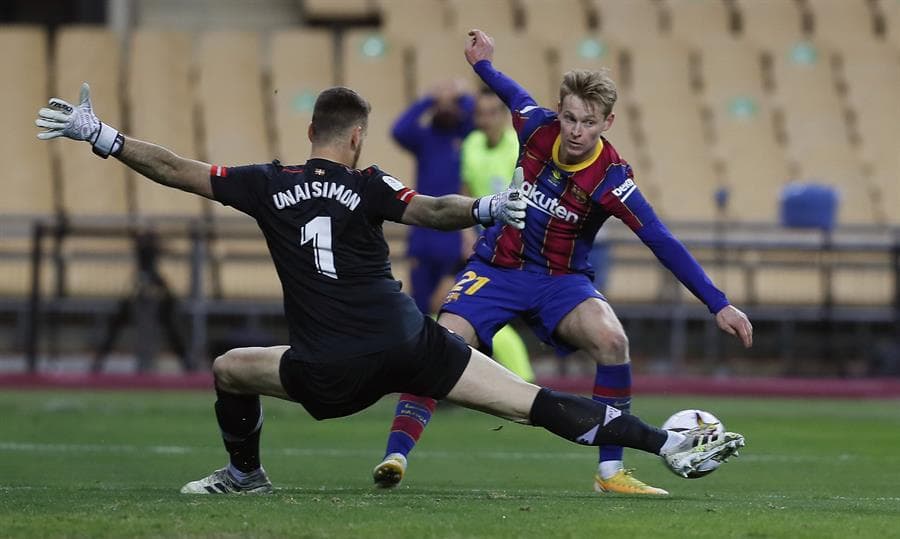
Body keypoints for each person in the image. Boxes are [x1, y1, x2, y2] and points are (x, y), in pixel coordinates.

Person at [35, 82, 744, 495]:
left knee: (229, 368)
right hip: (411, 344)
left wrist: (103, 136)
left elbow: (177, 169)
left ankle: (245, 471)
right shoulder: (369, 183)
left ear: (311, 130)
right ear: (354, 140)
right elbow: (434, 209)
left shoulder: (264, 184)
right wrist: (488, 209)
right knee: (534, 402)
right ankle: (665, 441)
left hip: (326, 367)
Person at [372, 30, 754, 496]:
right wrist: (482, 64)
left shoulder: (612, 180)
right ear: (559, 111)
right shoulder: (535, 125)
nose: (575, 130)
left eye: (588, 122)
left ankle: (610, 473)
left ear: (607, 122)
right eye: (569, 117)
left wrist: (719, 304)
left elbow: (661, 240)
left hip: (561, 281)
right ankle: (396, 455)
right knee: (442, 344)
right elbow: (512, 91)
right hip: (496, 268)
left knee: (612, 340)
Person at [392, 79, 474, 314]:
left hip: (453, 238)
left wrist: (460, 97)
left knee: (450, 306)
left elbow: (477, 116)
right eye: (441, 104)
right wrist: (430, 99)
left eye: (452, 105)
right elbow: (399, 130)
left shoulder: (466, 137)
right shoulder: (425, 138)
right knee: (420, 307)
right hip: (424, 236)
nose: (446, 108)